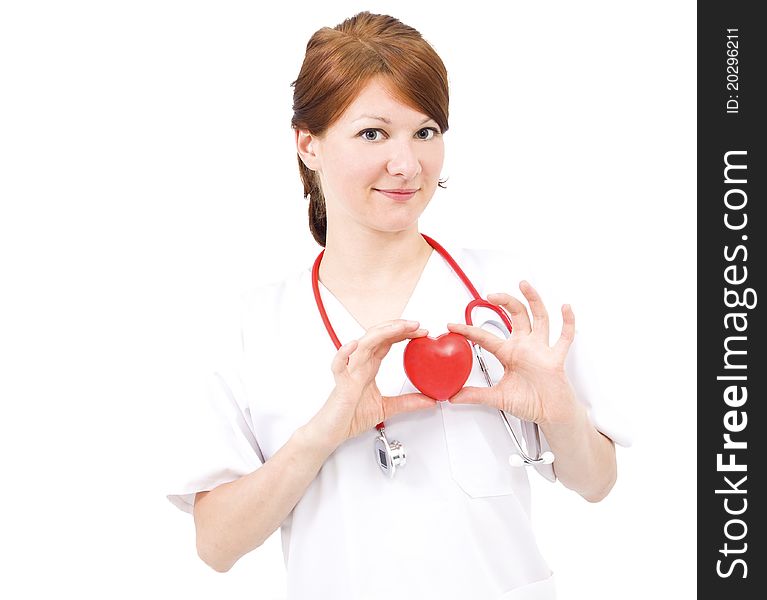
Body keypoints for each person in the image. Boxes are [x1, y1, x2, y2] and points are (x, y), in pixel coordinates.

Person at [167, 11, 631, 599]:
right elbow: (216, 545)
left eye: (426, 131)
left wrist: (562, 414)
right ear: (308, 144)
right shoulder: (250, 325)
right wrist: (322, 435)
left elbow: (596, 483)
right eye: (372, 133)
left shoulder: (505, 294)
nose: (408, 165)